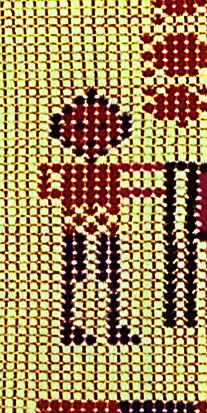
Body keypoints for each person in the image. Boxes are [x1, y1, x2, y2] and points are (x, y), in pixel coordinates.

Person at [39, 90, 161, 344]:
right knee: (75, 274)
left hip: (106, 227)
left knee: (109, 274)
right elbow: (46, 187)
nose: (93, 137)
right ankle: (70, 323)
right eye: (80, 128)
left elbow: (133, 185)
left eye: (104, 128)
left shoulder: (106, 171)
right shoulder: (73, 172)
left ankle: (111, 323)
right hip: (77, 228)